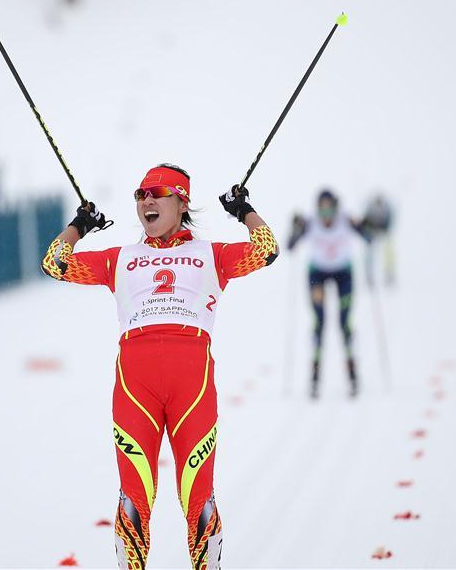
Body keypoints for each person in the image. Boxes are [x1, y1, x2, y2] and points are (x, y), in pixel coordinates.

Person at [41, 164, 278, 569]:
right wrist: (80, 224)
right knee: (134, 496)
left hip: (192, 383)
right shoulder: (120, 258)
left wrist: (244, 211)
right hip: (136, 384)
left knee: (197, 495)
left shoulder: (212, 254)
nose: (147, 200)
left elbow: (265, 249)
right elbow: (54, 263)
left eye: (157, 192)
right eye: (140, 194)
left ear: (182, 201)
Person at [288, 189, 369, 399]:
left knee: (344, 323)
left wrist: (362, 225)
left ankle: (353, 376)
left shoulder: (345, 219)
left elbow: (368, 237)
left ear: (335, 208)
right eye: (321, 210)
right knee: (319, 322)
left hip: (344, 274)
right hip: (319, 274)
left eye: (329, 209)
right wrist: (296, 228)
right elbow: (290, 245)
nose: (325, 215)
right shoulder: (311, 222)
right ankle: (314, 379)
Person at [359, 194, 396, 288]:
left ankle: (389, 272)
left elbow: (390, 221)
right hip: (372, 231)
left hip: (383, 231)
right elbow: (365, 220)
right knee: (369, 251)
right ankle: (369, 274)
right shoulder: (370, 208)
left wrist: (385, 229)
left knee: (388, 249)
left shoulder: (387, 208)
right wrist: (367, 230)